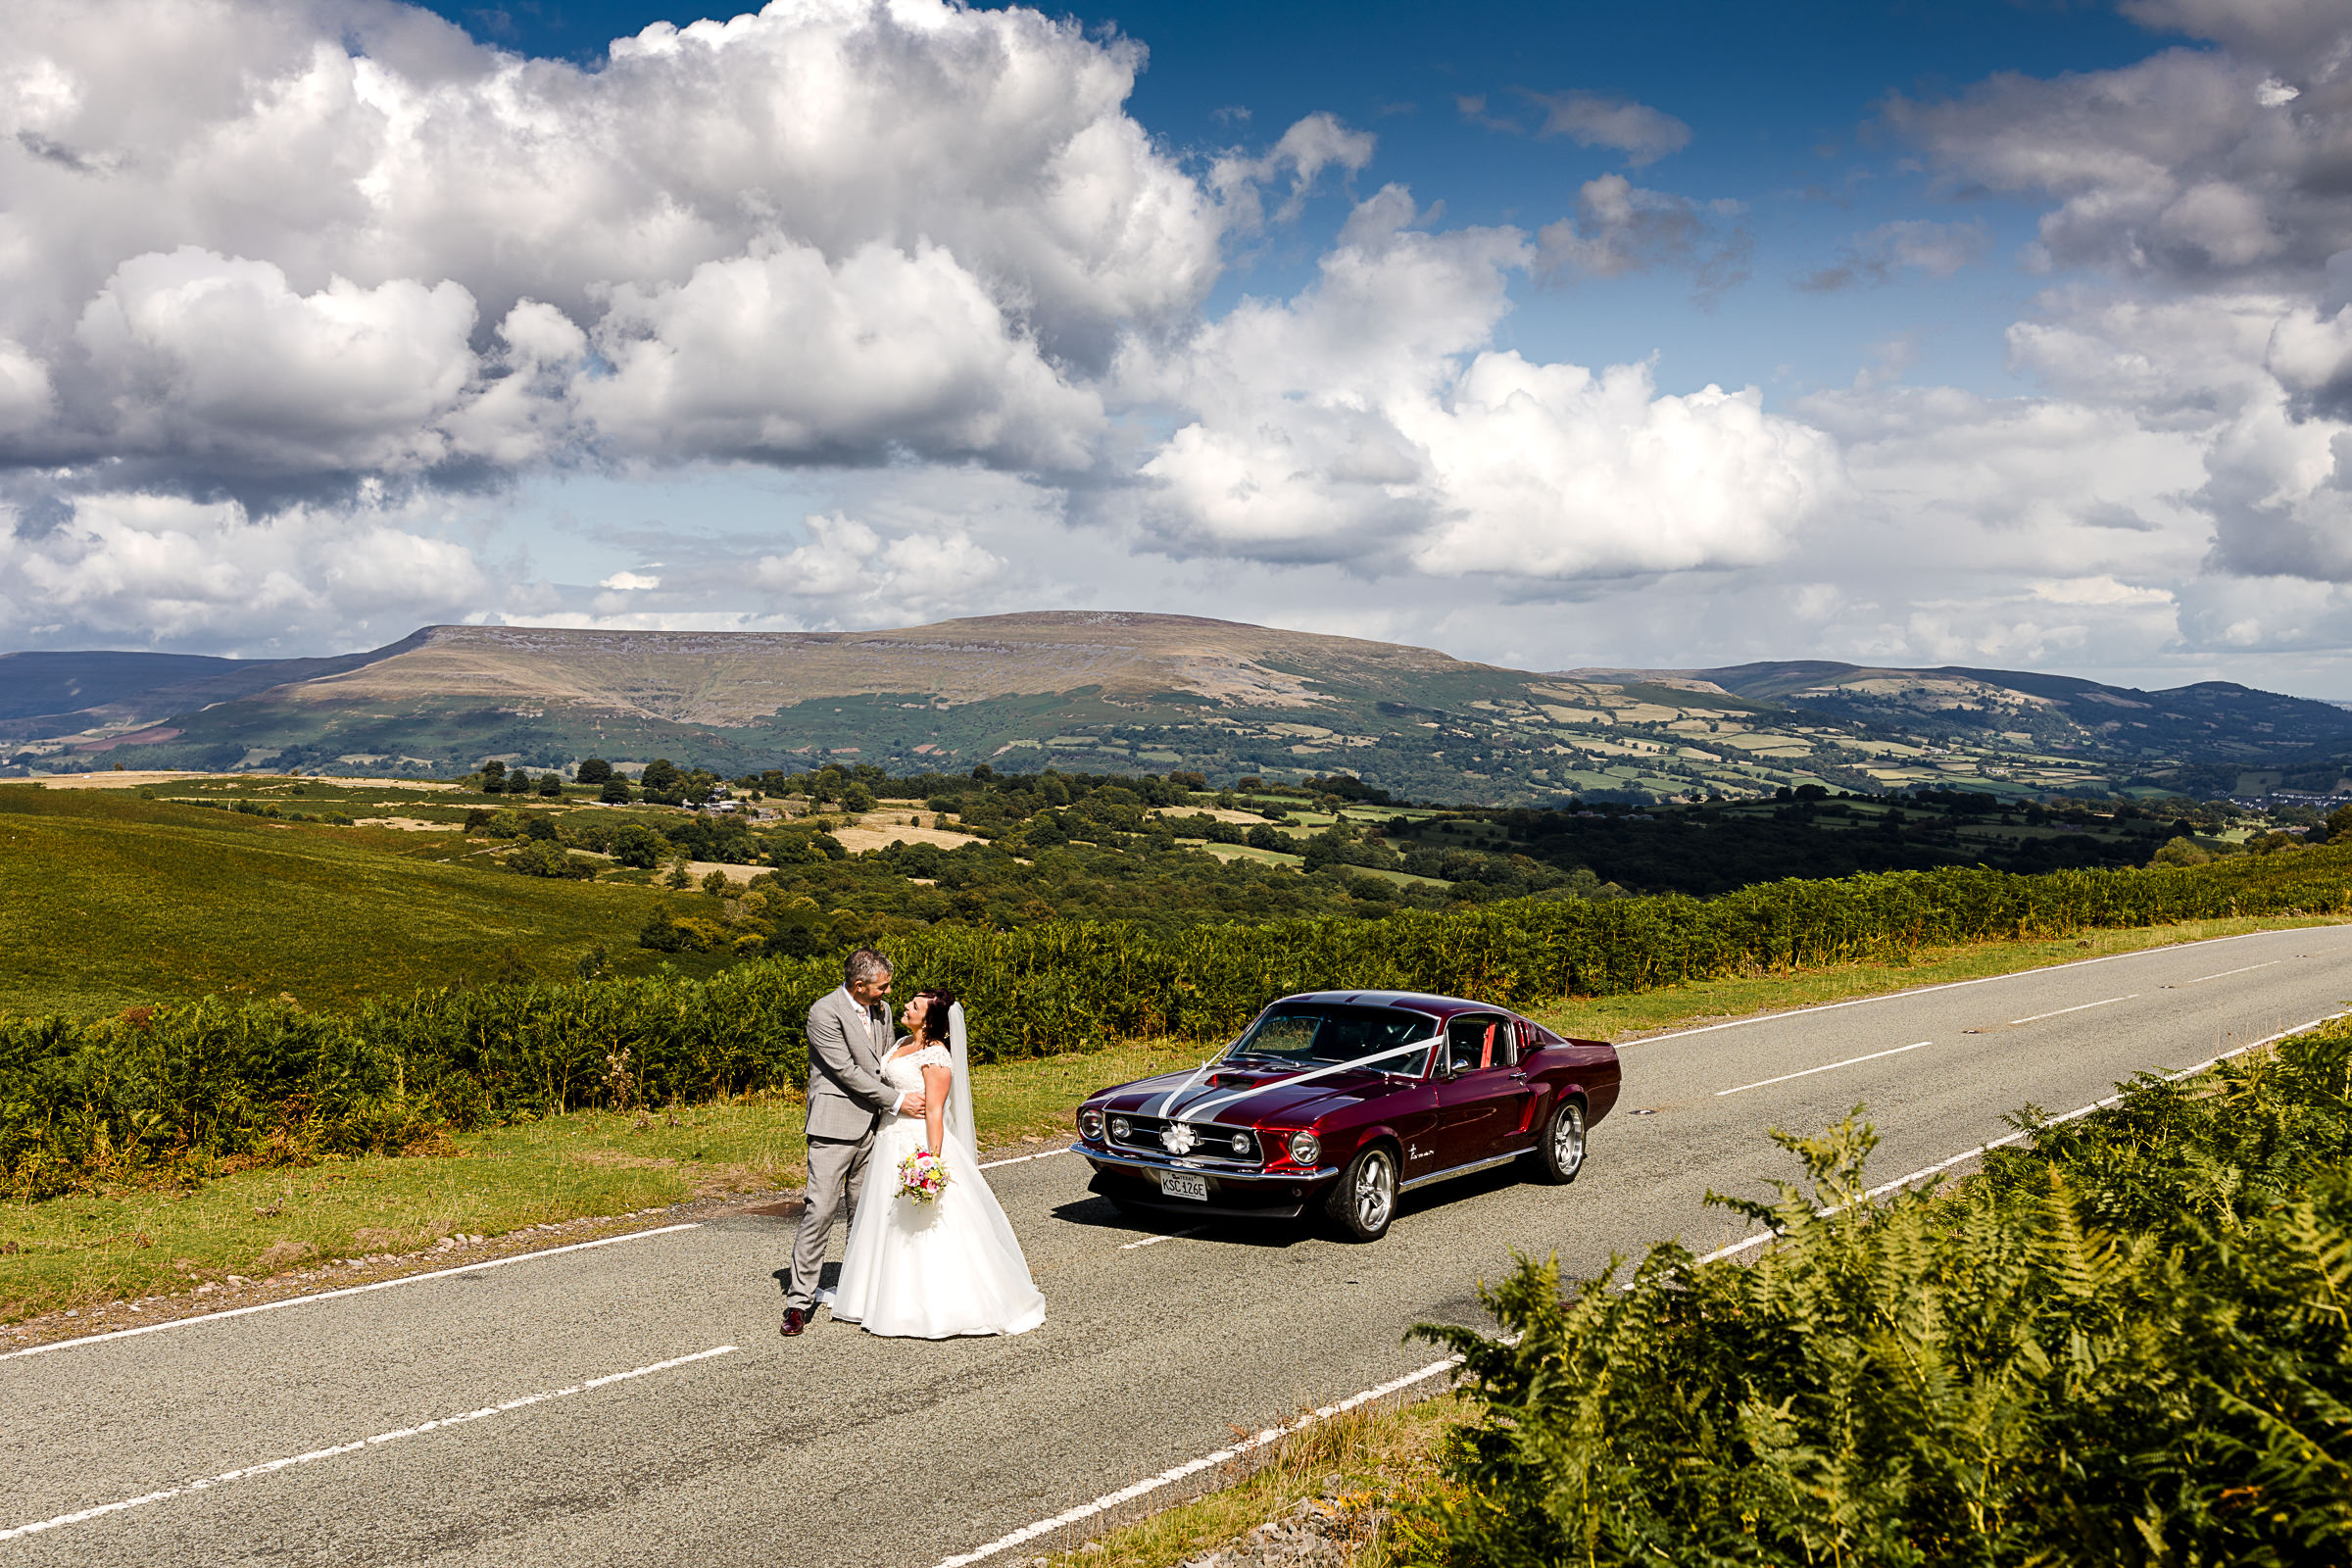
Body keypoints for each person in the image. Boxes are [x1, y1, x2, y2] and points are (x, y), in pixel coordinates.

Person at [830, 988, 1046, 1339]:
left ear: (930, 1019)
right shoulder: (902, 1042)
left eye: (914, 1006)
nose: (906, 1006)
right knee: (885, 1219)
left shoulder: (937, 1056)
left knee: (922, 1224)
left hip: (915, 1143)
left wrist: (930, 1161)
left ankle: (929, 1304)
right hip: (888, 1141)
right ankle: (875, 1296)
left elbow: (934, 1111)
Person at [782, 949, 922, 1338]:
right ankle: (799, 1300)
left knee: (866, 1211)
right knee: (821, 1209)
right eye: (882, 986)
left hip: (876, 1126)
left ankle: (860, 1291)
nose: (888, 993)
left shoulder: (885, 1011)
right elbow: (845, 1070)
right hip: (834, 1125)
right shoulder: (823, 1012)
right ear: (859, 985)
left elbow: (885, 1060)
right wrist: (896, 1100)